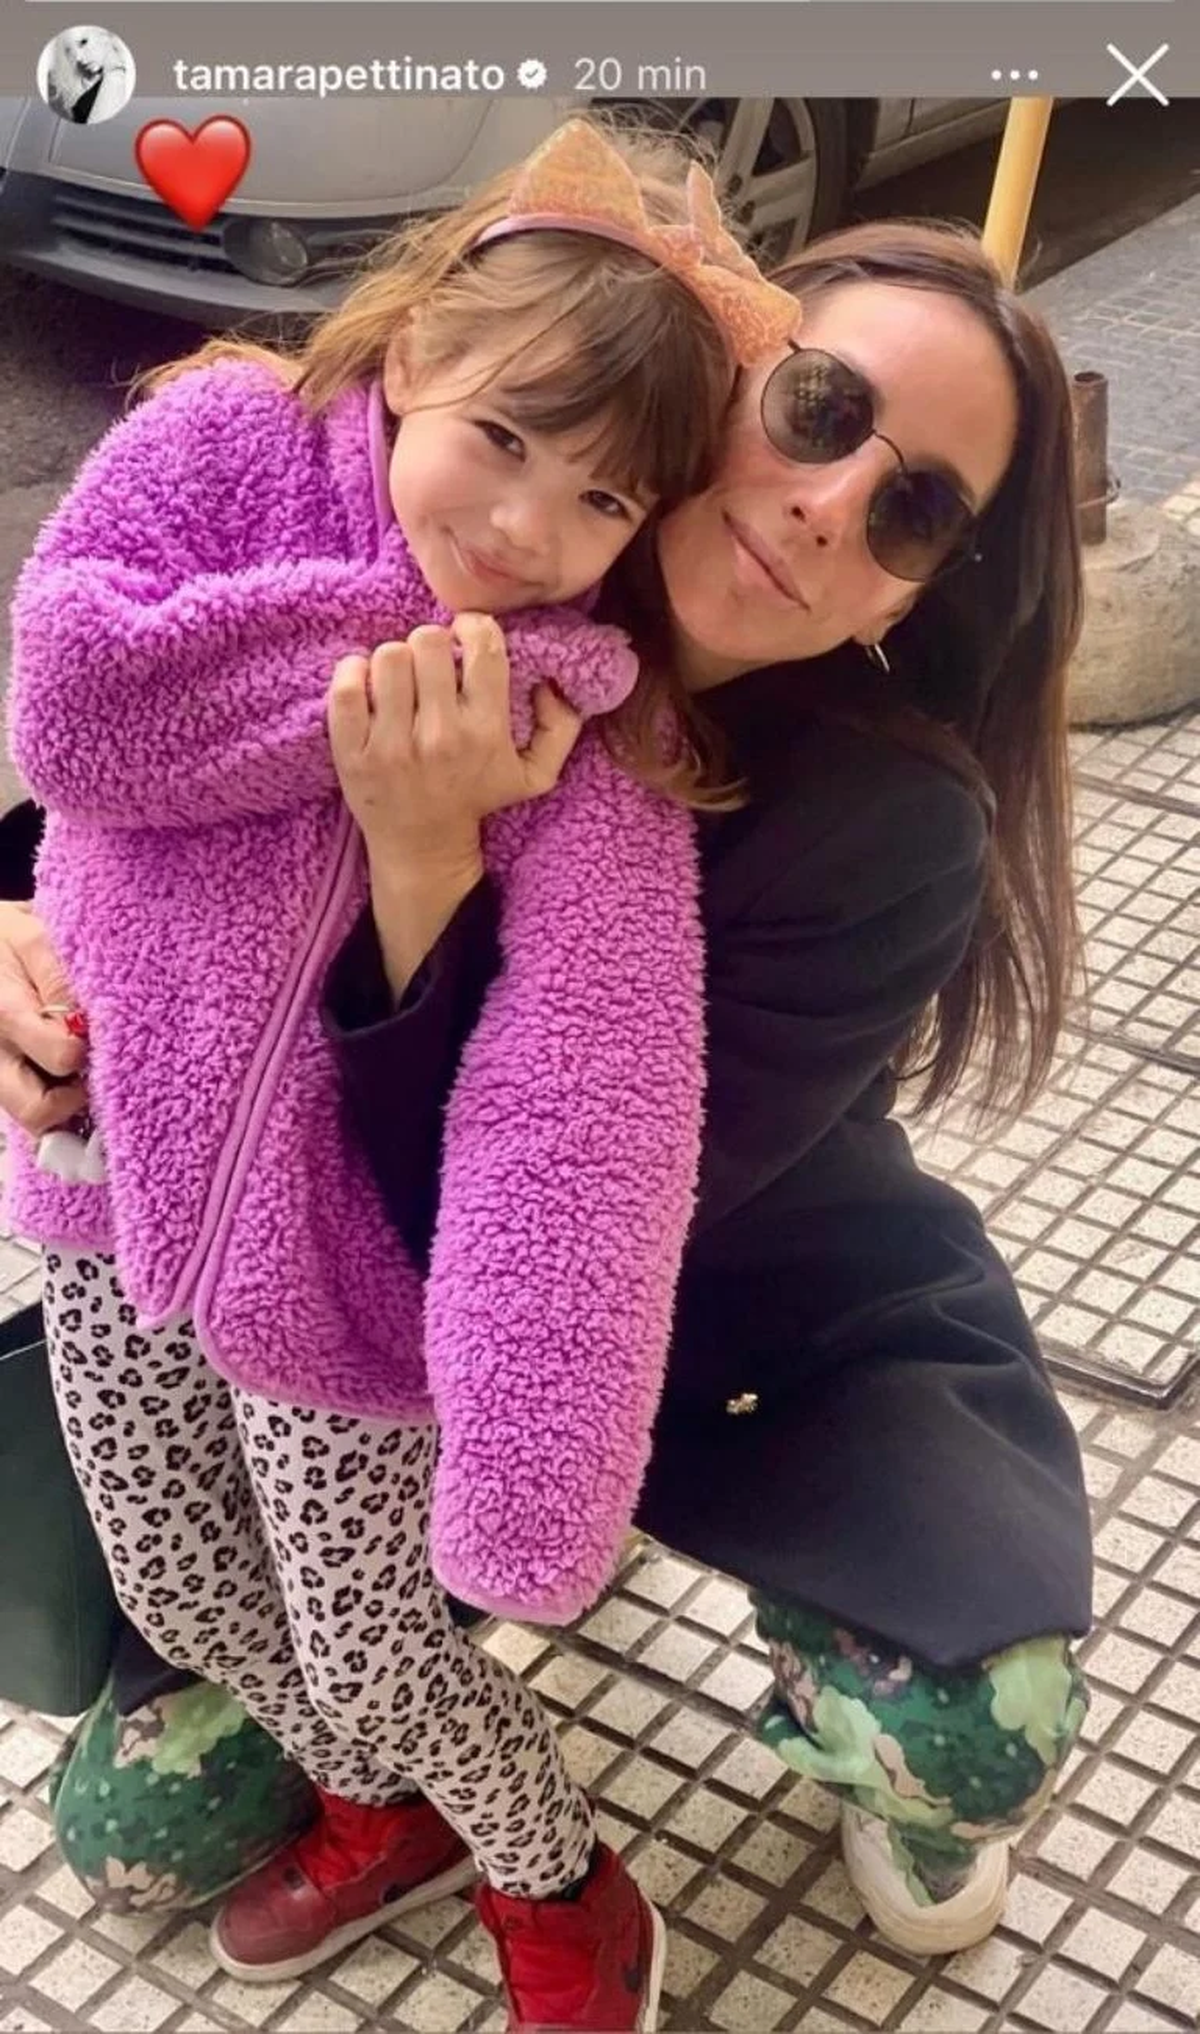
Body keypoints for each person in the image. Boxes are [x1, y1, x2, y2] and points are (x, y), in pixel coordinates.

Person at [0, 211, 1093, 2009]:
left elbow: (563, 1161)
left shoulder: (870, 819)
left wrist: (421, 861)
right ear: (718, 362)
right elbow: (112, 753)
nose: (831, 503)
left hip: (712, 1313)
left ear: (916, 592)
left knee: (975, 1719)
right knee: (138, 1828)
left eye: (913, 512)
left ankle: (835, 1774)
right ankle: (406, 1790)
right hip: (303, 1265)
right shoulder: (441, 515)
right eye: (820, 407)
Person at [2, 115, 802, 2033]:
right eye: (503, 434)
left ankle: (556, 1874)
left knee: (376, 1652)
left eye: (601, 500)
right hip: (99, 1178)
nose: (524, 531)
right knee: (180, 1590)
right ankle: (386, 1806)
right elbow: (78, 702)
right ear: (417, 342)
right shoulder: (225, 442)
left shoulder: (585, 732)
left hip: (341, 1274)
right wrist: (410, 677)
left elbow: (586, 1109)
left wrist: (537, 1474)